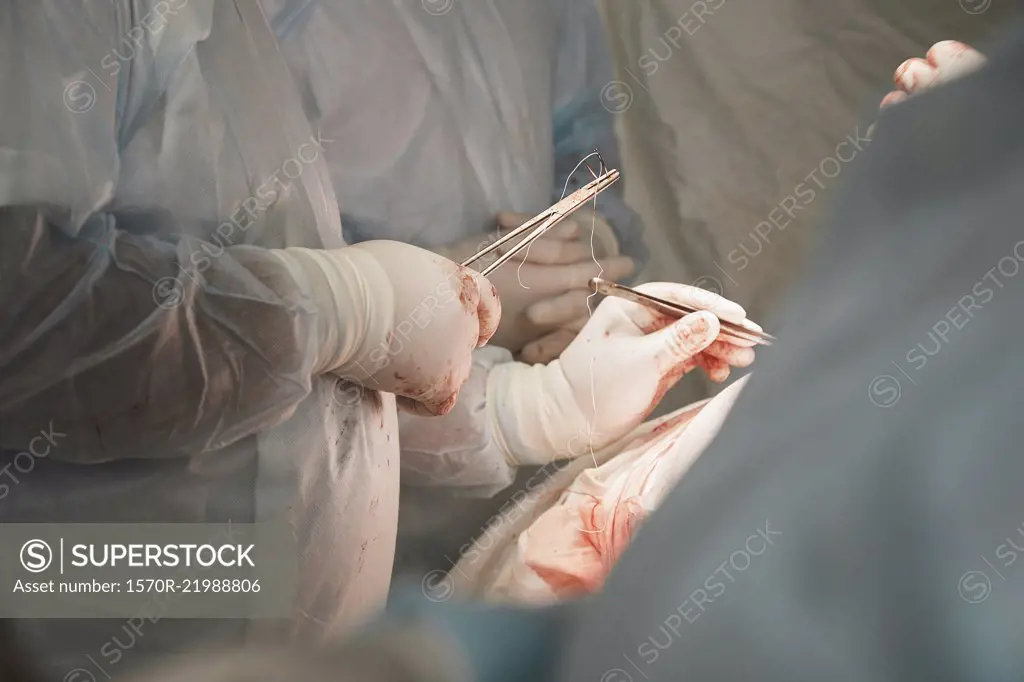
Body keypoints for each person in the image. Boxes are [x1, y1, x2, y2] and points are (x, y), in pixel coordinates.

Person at [103, 23, 1024, 682]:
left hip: (343, 531)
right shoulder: (158, 37)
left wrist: (520, 398)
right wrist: (358, 306)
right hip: (88, 557)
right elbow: (54, 331)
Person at [0, 2, 755, 678]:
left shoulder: (229, 33)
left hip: (279, 590)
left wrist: (523, 406)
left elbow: (292, 389)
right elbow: (28, 317)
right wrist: (341, 306)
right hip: (97, 589)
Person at [262, 0, 653, 579]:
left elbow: (581, 141)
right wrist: (454, 311)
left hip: (513, 508)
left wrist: (583, 251)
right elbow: (230, 320)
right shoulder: (246, 23)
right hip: (291, 524)